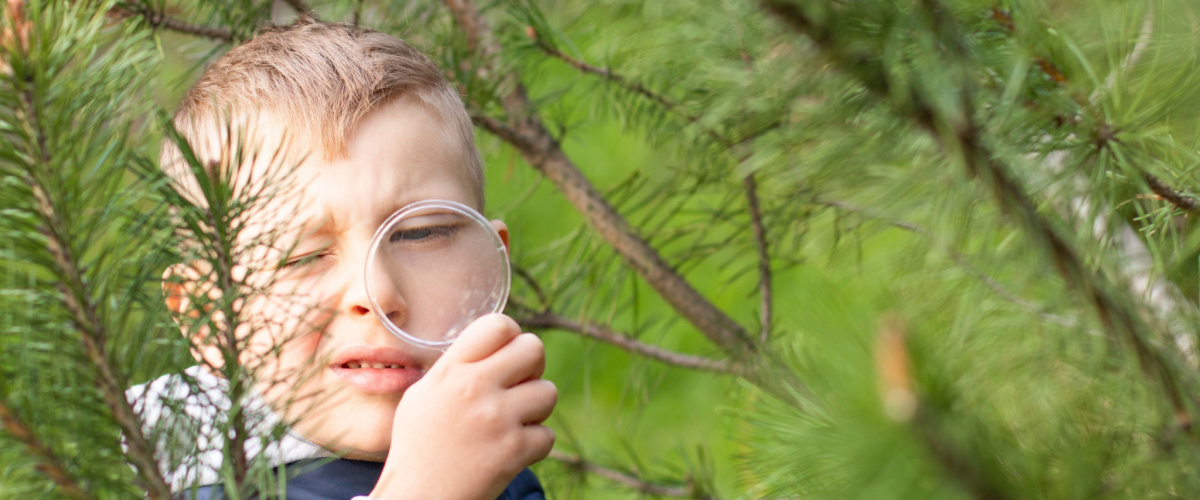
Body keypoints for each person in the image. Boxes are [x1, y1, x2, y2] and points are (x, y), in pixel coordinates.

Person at [127, 19, 557, 500]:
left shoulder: (496, 460)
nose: (377, 294)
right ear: (207, 317)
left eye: (422, 232)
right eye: (301, 256)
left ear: (492, 262)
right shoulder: (189, 485)